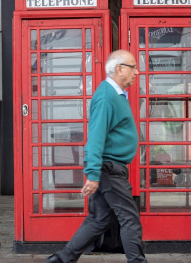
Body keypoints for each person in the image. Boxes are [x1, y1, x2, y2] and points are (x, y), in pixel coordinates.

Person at [46, 50, 147, 263]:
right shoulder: (106, 96)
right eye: (133, 67)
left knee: (100, 218)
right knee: (130, 218)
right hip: (109, 168)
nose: (137, 72)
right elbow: (95, 136)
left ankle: (61, 259)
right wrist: (92, 173)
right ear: (119, 69)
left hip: (108, 167)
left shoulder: (115, 95)